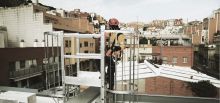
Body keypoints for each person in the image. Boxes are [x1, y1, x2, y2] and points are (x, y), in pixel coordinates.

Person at [105, 18, 125, 90]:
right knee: (98, 60)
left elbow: (122, 46)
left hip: (114, 56)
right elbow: (106, 37)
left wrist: (112, 49)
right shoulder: (112, 33)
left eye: (109, 26)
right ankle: (106, 77)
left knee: (111, 70)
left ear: (112, 26)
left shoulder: (119, 34)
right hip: (109, 56)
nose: (108, 27)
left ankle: (110, 87)